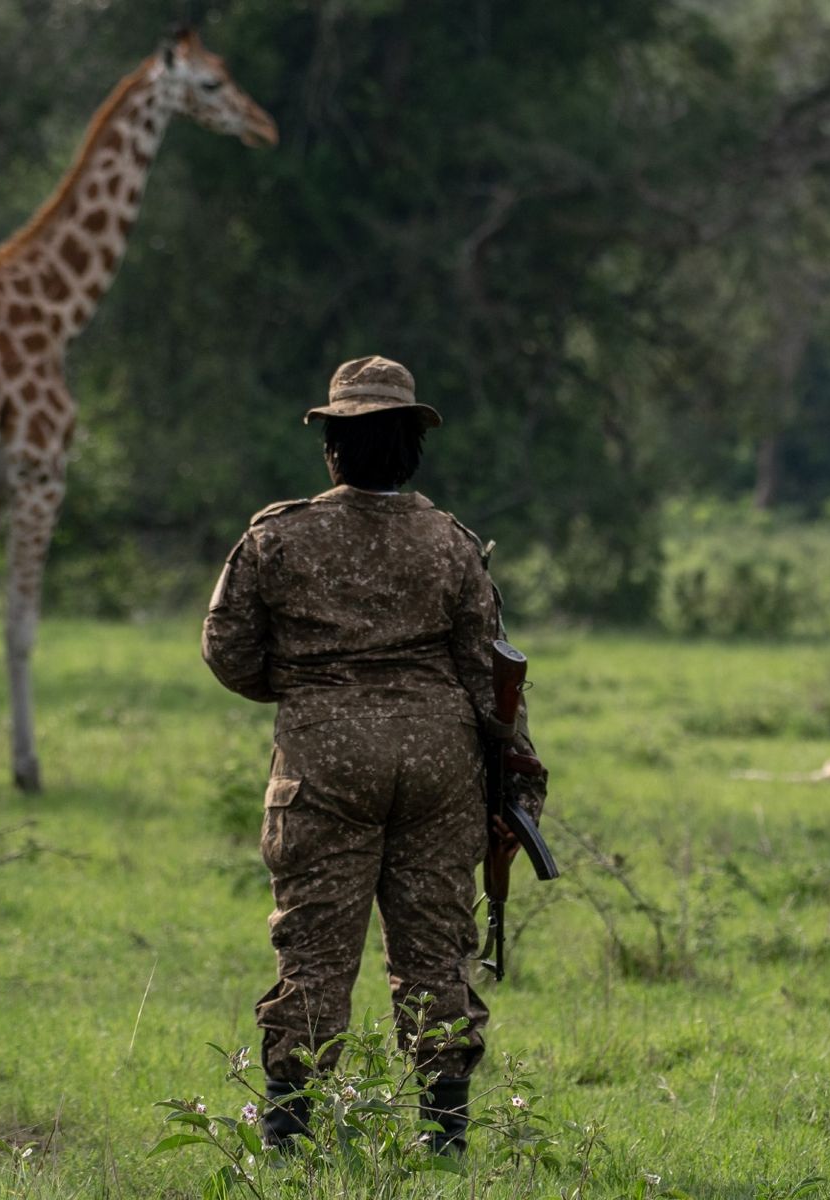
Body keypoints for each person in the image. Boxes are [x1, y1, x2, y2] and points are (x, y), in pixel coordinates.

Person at [201, 354, 542, 1155]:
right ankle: (444, 1138)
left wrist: (310, 689)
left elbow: (226, 649)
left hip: (323, 764)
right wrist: (519, 774)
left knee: (315, 946)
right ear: (413, 449)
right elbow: (487, 673)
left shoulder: (277, 536)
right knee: (434, 947)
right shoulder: (452, 543)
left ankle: (289, 1135)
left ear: (332, 449)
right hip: (439, 766)